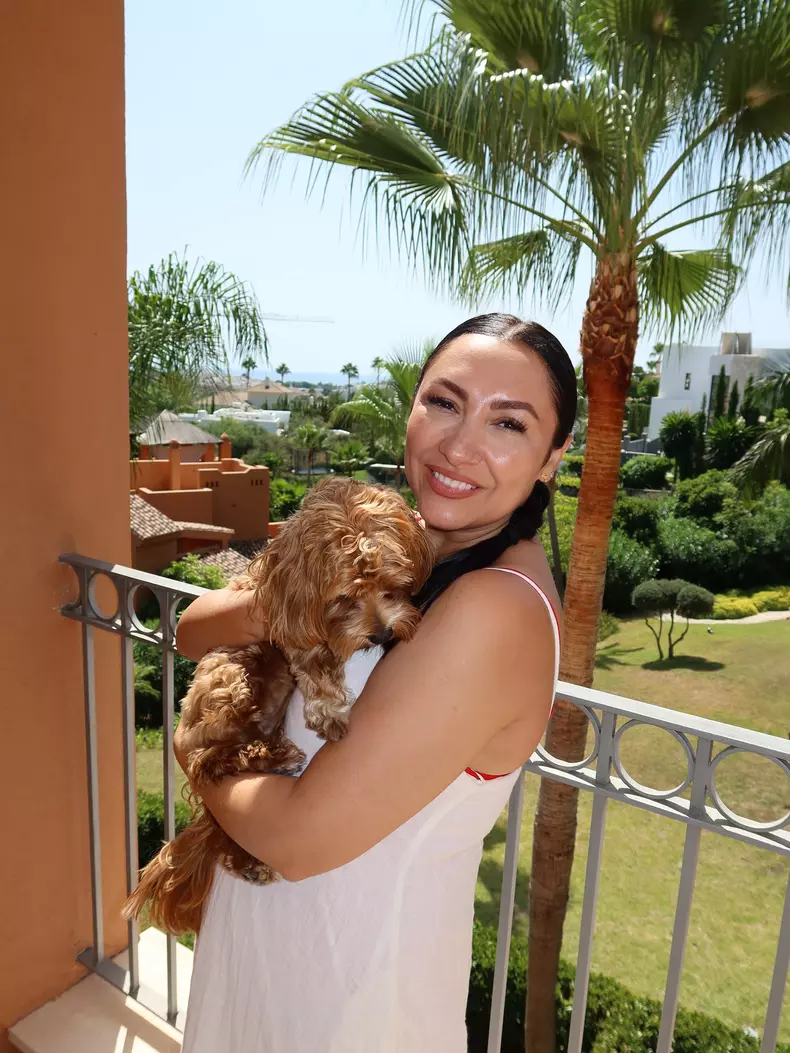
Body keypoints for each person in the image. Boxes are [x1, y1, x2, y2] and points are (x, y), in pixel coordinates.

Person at [174, 313, 576, 1053]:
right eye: (445, 403)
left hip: (346, 996)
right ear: (413, 407)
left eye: (508, 423)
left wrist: (196, 748)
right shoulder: (387, 546)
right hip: (274, 946)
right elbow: (192, 629)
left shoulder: (494, 608)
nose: (458, 446)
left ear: (554, 456)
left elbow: (297, 839)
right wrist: (304, 596)